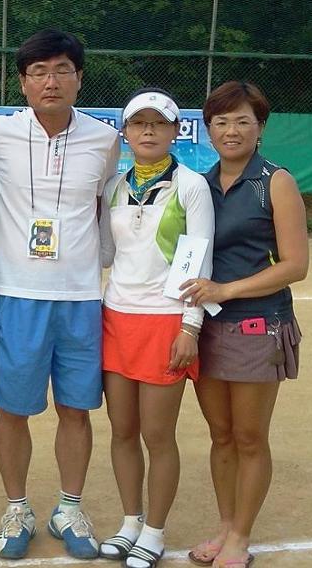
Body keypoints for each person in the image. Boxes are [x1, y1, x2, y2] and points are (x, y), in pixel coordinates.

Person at [0, 29, 120, 560]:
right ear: (23, 82)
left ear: (79, 78)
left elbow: (105, 205)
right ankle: (17, 507)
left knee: (77, 409)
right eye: (38, 71)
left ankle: (69, 507)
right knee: (13, 408)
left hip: (80, 296)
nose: (50, 81)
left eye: (62, 70)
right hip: (17, 293)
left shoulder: (105, 139)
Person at [180, 81, 308, 568]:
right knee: (221, 435)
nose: (231, 130)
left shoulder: (276, 181)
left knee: (250, 437)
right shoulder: (199, 184)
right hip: (208, 327)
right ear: (208, 129)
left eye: (242, 121)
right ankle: (225, 526)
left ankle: (240, 536)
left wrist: (227, 290)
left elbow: (295, 265)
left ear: (260, 127)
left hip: (259, 324)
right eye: (221, 121)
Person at [97, 88, 214, 568]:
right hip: (115, 319)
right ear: (125, 132)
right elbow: (105, 254)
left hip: (166, 322)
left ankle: (155, 531)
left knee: (157, 435)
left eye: (159, 123)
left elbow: (199, 260)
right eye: (139, 123)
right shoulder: (113, 187)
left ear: (174, 131)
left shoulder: (191, 186)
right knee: (122, 431)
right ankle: (130, 522)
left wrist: (190, 327)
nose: (148, 131)